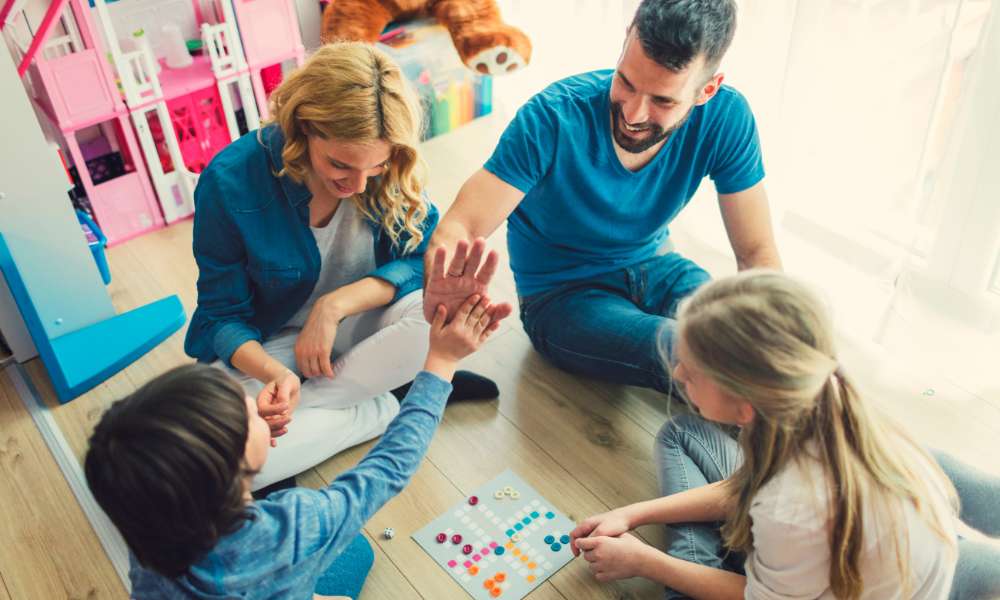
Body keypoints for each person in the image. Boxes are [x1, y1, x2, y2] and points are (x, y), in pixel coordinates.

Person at [183, 42, 509, 492]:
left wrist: (334, 306)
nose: (357, 184)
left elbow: (418, 260)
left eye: (374, 166)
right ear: (301, 127)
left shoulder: (390, 168)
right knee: (203, 463)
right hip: (270, 344)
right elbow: (223, 317)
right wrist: (275, 375)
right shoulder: (231, 180)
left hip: (359, 329)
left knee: (431, 317)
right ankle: (394, 401)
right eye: (339, 164)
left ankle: (342, 408)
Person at [85, 253, 506, 599]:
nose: (252, 402)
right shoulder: (295, 525)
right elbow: (389, 468)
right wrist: (441, 365)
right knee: (356, 550)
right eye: (244, 410)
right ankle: (397, 397)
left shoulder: (150, 541)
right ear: (236, 470)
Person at [570, 271, 1000, 600]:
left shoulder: (790, 507)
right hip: (907, 562)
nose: (678, 374)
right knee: (683, 433)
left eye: (691, 371)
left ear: (746, 406)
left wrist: (645, 561)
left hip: (855, 574)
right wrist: (634, 514)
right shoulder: (827, 396)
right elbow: (746, 486)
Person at [423, 0, 781, 394]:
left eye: (663, 101)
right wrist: (441, 280)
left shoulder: (727, 116)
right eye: (626, 82)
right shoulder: (552, 118)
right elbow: (463, 223)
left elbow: (756, 253)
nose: (633, 112)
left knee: (745, 342)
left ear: (707, 90)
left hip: (660, 267)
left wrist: (780, 335)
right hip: (562, 298)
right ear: (626, 39)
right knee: (691, 351)